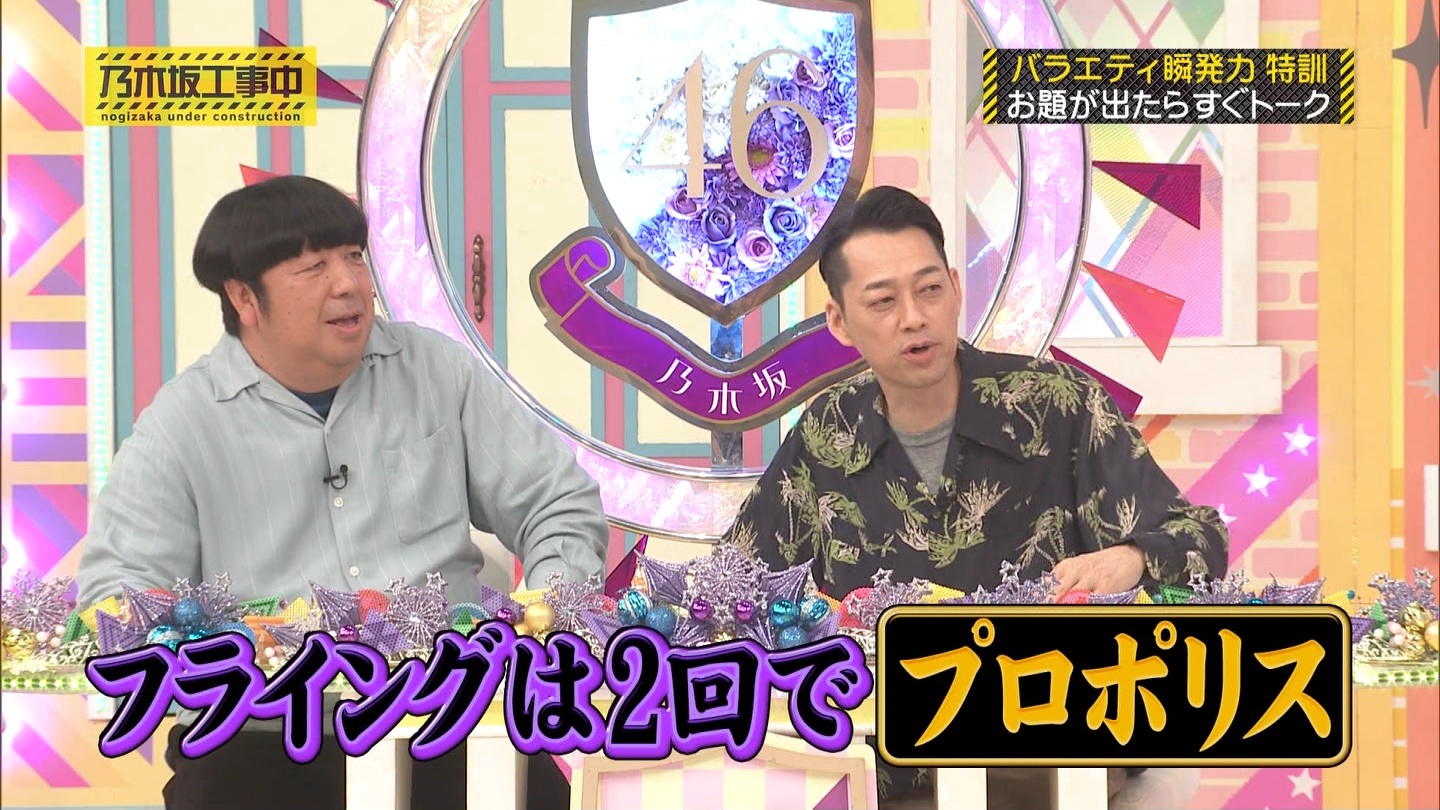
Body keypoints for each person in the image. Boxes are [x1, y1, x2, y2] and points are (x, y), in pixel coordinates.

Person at [76, 175, 610, 810]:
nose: (349, 284)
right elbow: (118, 594)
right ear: (245, 298)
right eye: (314, 267)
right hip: (261, 733)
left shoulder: (437, 370)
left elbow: (558, 505)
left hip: (447, 715)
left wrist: (546, 615)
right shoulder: (183, 422)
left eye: (354, 257)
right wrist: (223, 652)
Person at [722, 186, 1228, 809]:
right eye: (883, 301)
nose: (914, 317)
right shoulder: (828, 433)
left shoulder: (1058, 404)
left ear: (957, 290)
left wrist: (1131, 559)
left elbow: (1200, 539)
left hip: (1046, 767)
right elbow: (735, 588)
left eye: (930, 289)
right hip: (885, 778)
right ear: (840, 322)